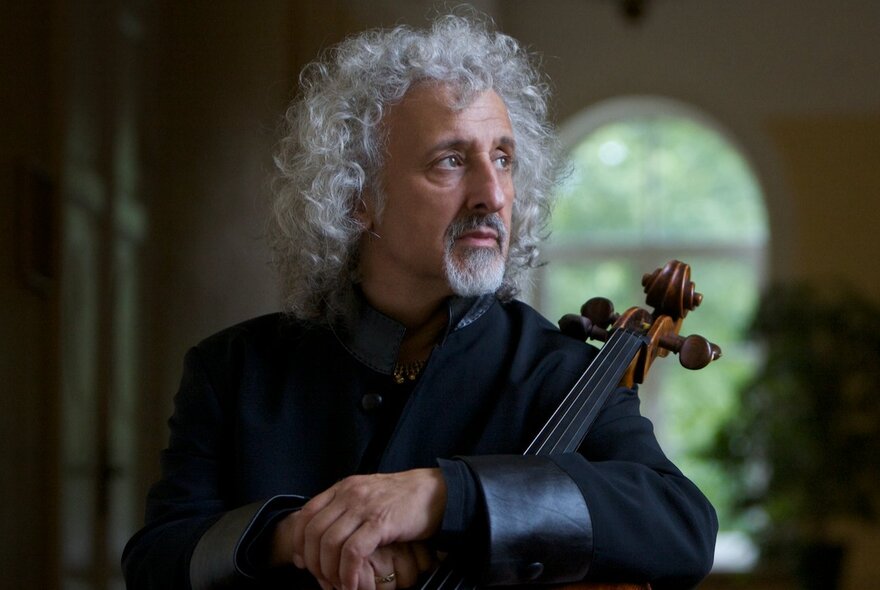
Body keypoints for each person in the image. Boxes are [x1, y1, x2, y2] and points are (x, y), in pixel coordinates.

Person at [122, 13, 717, 590]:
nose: (492, 194)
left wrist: (444, 496)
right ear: (357, 198)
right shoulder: (234, 370)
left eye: (503, 159)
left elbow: (681, 526)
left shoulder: (565, 374)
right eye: (450, 161)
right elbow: (156, 562)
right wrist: (297, 535)